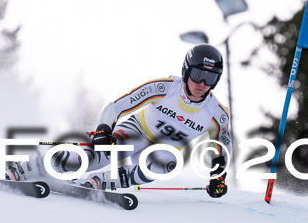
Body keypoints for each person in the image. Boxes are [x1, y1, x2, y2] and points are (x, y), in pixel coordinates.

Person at [51, 43, 231, 198]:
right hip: (137, 132)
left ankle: (100, 182)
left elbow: (222, 149)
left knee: (167, 165)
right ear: (186, 71)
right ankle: (54, 163)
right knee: (101, 155)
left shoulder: (216, 115)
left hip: (162, 152)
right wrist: (103, 130)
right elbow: (116, 107)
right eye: (198, 75)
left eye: (210, 78)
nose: (202, 84)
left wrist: (218, 178)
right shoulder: (164, 88)